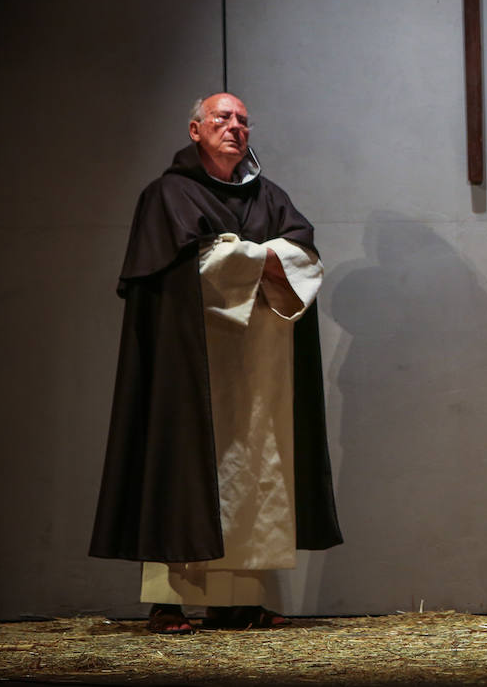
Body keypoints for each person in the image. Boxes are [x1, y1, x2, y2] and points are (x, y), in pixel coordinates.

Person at [90, 93, 342, 634]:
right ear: (195, 130)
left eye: (244, 120)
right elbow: (194, 264)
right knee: (181, 464)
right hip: (191, 362)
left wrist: (248, 252)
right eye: (222, 118)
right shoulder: (168, 194)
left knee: (252, 471)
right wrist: (262, 255)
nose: (235, 127)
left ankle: (237, 600)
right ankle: (168, 602)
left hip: (256, 364)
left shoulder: (268, 195)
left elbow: (304, 254)